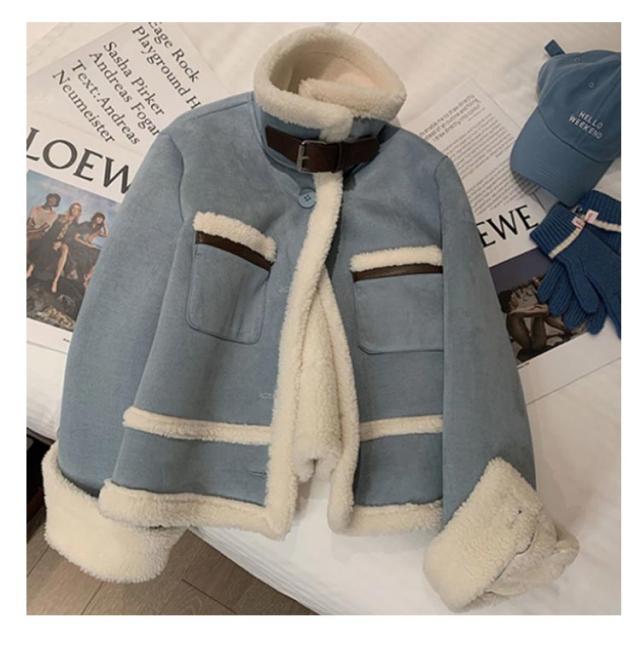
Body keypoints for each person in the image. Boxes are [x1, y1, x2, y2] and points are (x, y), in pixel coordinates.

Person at [27, 202, 81, 294]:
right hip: (52, 237)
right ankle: (30, 270)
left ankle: (55, 280)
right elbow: (52, 230)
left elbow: (70, 238)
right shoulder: (60, 217)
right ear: (70, 208)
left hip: (62, 241)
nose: (74, 210)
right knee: (45, 244)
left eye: (77, 209)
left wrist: (61, 242)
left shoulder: (76, 225)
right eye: (73, 208)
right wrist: (53, 240)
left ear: (79, 212)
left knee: (65, 250)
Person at [65, 212, 109, 287]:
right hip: (78, 244)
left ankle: (88, 276)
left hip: (87, 246)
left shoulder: (97, 229)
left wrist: (105, 224)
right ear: (94, 217)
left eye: (102, 219)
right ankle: (77, 274)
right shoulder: (86, 225)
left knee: (99, 254)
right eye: (98, 217)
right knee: (85, 256)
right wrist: (87, 245)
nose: (100, 220)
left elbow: (106, 235)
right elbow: (76, 238)